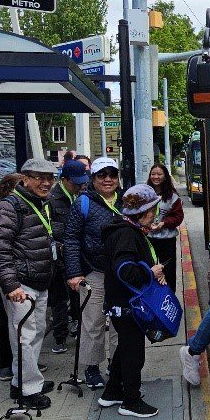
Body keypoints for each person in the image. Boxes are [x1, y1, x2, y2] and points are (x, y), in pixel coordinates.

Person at [0, 159, 60, 410]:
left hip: (40, 281)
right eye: (39, 177)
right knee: (24, 337)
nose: (46, 182)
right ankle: (27, 391)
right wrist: (10, 285)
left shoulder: (41, 203)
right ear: (24, 179)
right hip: (21, 285)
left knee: (36, 332)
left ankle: (26, 381)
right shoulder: (9, 207)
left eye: (50, 178)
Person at [99, 184, 166, 418]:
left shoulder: (126, 230)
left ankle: (111, 392)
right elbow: (125, 270)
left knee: (125, 348)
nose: (155, 214)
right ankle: (130, 401)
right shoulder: (126, 234)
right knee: (134, 353)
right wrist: (151, 272)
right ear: (143, 212)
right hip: (127, 305)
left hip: (122, 303)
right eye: (153, 209)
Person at [61, 156, 122, 389]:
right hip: (93, 272)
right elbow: (72, 239)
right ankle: (91, 367)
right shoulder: (83, 203)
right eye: (101, 175)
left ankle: (116, 364)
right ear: (93, 178)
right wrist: (74, 273)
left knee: (120, 322)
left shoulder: (127, 201)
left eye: (112, 174)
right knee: (93, 322)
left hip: (121, 275)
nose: (108, 179)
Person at [46, 160, 89, 354]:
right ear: (64, 180)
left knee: (77, 295)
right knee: (59, 298)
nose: (80, 186)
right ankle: (60, 336)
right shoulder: (51, 199)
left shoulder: (82, 196)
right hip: (58, 257)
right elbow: (50, 227)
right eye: (75, 183)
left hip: (77, 254)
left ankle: (77, 326)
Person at [0, 172, 23, 382]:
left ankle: (20, 364)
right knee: (7, 319)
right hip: (7, 276)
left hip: (14, 274)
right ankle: (7, 364)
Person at [145, 163, 184, 293]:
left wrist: (164, 223)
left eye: (159, 174)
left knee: (168, 272)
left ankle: (169, 298)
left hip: (167, 241)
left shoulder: (172, 196)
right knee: (149, 270)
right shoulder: (144, 194)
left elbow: (178, 217)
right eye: (153, 174)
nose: (156, 177)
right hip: (148, 239)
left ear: (165, 177)